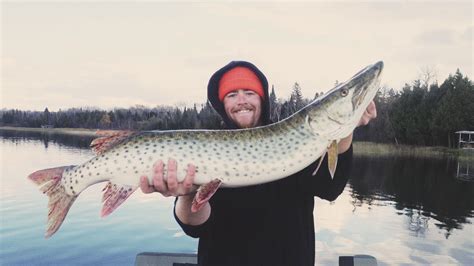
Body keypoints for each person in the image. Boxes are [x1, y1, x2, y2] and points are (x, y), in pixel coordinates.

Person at [139, 61, 377, 266]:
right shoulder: (209, 151)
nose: (241, 100)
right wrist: (189, 194)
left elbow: (330, 189)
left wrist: (347, 129)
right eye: (232, 95)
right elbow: (195, 227)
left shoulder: (296, 144)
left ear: (262, 99)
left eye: (249, 92)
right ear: (223, 104)